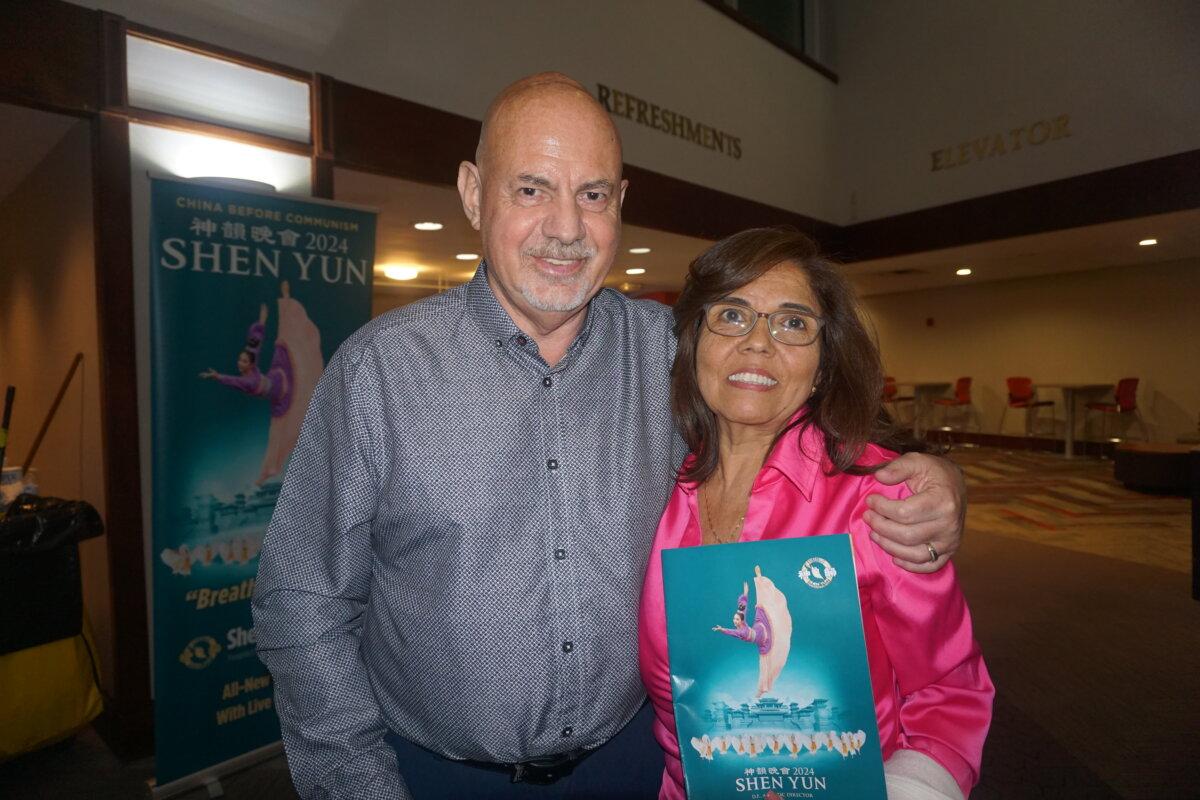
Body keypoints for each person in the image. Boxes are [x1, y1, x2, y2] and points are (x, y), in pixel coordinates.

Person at [253, 73, 969, 800]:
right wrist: (356, 787)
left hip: (636, 767)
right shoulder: (379, 373)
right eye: (531, 189)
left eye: (592, 195)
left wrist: (935, 480)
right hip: (438, 776)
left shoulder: (674, 353)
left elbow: (791, 412)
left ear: (619, 204)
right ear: (473, 194)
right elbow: (302, 599)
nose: (566, 228)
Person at [638, 228, 993, 800]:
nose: (758, 343)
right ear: (693, 342)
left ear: (824, 365)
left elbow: (949, 692)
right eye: (731, 315)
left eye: (792, 323)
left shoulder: (877, 498)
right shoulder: (655, 487)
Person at [200, 281, 323, 483]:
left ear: (249, 362)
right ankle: (269, 471)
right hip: (281, 397)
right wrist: (218, 377)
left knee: (286, 336)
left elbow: (254, 343)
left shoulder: (253, 366)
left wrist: (262, 320)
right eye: (240, 361)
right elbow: (233, 381)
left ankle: (285, 298)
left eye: (243, 360)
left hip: (281, 372)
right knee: (277, 436)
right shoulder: (245, 381)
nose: (240, 363)